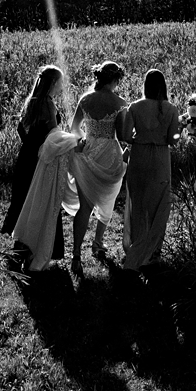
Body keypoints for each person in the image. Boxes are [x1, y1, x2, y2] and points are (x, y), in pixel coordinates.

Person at [66, 61, 130, 276]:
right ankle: (98, 242)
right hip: (110, 154)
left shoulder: (85, 99)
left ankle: (76, 255)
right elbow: (121, 136)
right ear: (115, 79)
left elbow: (74, 128)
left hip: (89, 151)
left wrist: (83, 140)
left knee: (85, 207)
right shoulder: (120, 102)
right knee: (108, 199)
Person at [1, 65, 66, 268]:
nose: (61, 87)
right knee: (39, 200)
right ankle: (28, 248)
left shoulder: (33, 100)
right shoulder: (48, 103)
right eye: (60, 82)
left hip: (27, 154)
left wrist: (29, 143)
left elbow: (21, 126)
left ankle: (20, 247)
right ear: (54, 83)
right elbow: (53, 133)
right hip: (40, 157)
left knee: (24, 198)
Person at [121, 69, 180, 271]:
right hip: (161, 160)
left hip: (139, 157)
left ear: (145, 85)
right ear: (163, 86)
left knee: (138, 204)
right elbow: (173, 140)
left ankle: (136, 249)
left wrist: (141, 140)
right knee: (159, 205)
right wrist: (184, 130)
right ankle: (153, 253)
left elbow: (126, 135)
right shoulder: (171, 109)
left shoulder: (135, 107)